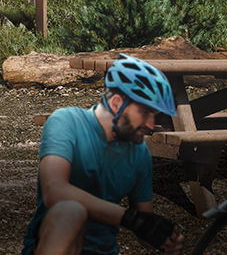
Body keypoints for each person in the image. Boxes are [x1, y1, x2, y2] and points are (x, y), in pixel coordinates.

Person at [22, 54, 186, 255]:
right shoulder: (66, 122)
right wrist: (129, 218)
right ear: (117, 103)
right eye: (145, 113)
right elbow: (54, 191)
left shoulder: (139, 151)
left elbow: (144, 226)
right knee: (71, 210)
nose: (151, 125)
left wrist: (163, 239)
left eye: (154, 115)